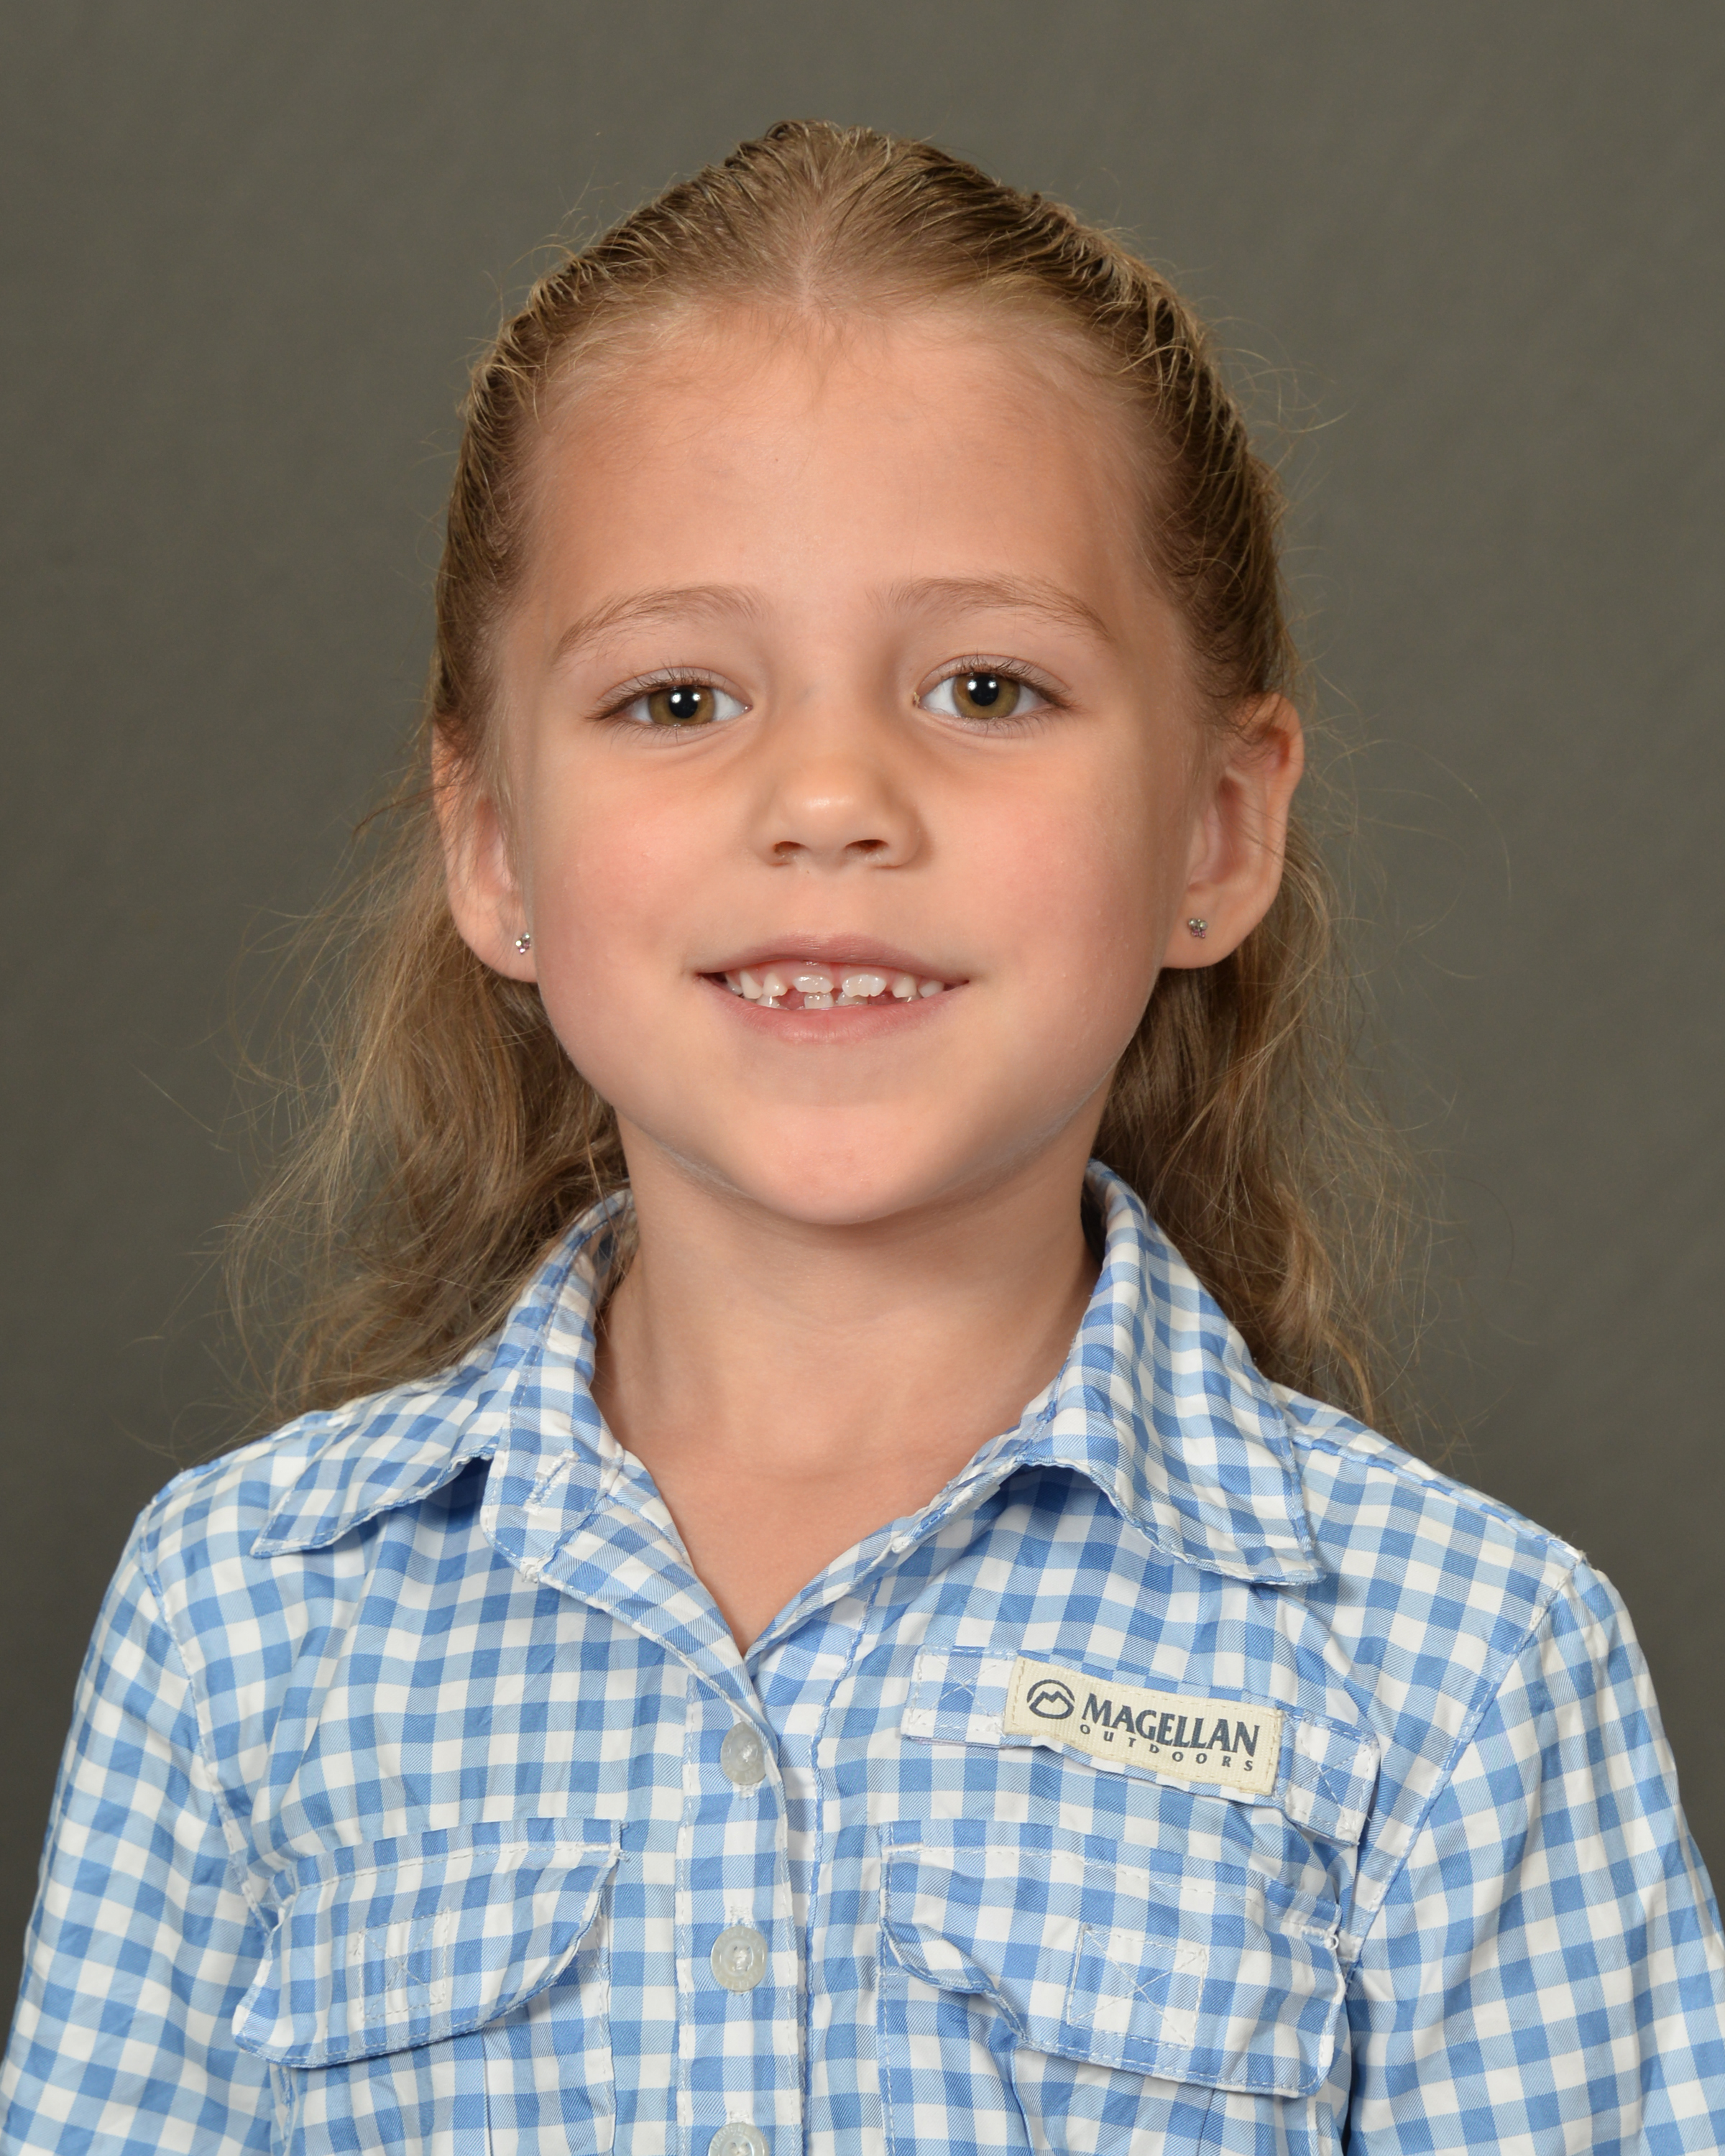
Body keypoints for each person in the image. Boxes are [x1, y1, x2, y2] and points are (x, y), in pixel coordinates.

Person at [3, 120, 1720, 2156]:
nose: (829, 799)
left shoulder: (1467, 1669)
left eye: (987, 687)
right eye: (678, 700)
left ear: (1216, 830)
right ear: (494, 848)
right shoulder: (243, 1620)